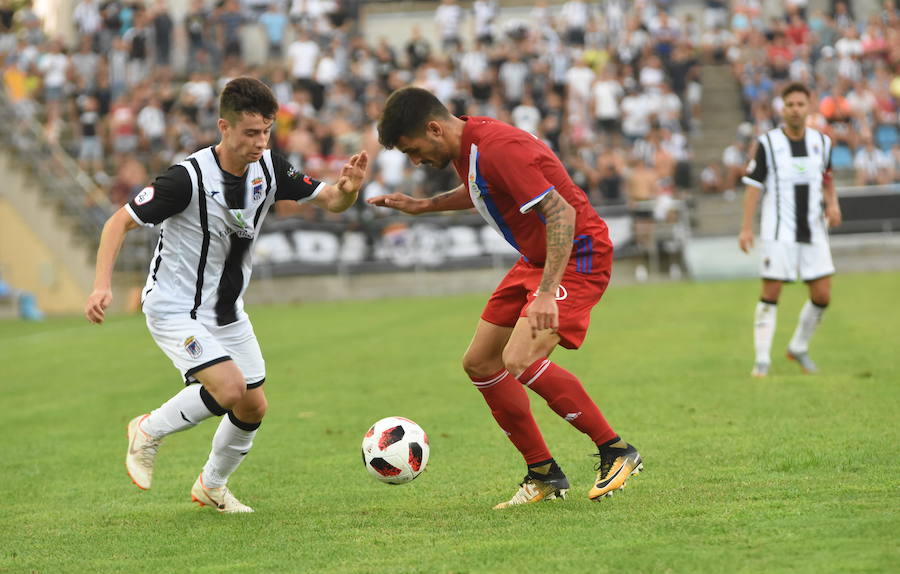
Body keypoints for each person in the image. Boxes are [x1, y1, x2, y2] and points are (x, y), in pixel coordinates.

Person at [84, 77, 368, 513]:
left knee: (253, 406)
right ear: (224, 127)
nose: (260, 142)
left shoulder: (271, 167)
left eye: (266, 132)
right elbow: (117, 223)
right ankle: (147, 429)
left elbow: (330, 200)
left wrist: (348, 190)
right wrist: (102, 285)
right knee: (231, 387)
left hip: (227, 310)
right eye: (250, 133)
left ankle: (211, 486)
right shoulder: (187, 178)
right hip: (174, 307)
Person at [369, 87, 642, 509]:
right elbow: (481, 190)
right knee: (479, 362)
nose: (415, 160)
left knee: (520, 358)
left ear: (434, 128)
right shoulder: (469, 145)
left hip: (576, 255)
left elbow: (561, 213)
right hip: (535, 257)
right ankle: (544, 473)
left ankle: (616, 450)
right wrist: (423, 207)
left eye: (414, 149)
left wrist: (548, 293)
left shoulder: (498, 148)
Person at [739, 82, 841, 378]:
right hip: (778, 231)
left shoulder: (821, 142)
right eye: (790, 105)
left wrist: (833, 204)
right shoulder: (768, 143)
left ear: (808, 107)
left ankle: (798, 347)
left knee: (822, 295)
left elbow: (828, 178)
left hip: (814, 230)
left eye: (800, 104)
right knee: (771, 292)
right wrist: (746, 228)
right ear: (782, 109)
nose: (795, 110)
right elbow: (753, 188)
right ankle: (762, 360)